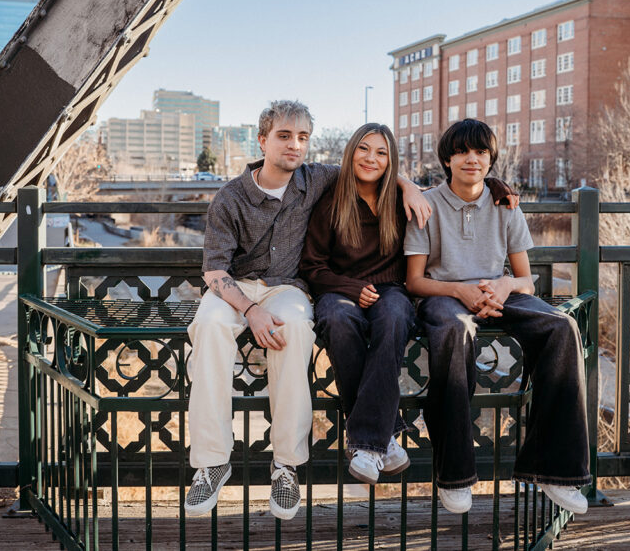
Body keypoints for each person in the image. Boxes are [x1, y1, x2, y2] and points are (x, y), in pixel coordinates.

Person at [184, 101, 430, 520]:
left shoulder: (315, 179)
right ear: (262, 140)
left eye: (302, 138)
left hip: (287, 289)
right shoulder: (229, 198)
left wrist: (409, 186)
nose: (295, 146)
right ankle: (211, 463)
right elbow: (214, 270)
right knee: (207, 326)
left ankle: (286, 464)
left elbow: (372, 167)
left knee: (297, 326)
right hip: (234, 290)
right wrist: (250, 311)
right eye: (284, 136)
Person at [301, 123, 520, 486]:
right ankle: (378, 439)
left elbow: (455, 191)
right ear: (350, 152)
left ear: (392, 162)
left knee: (395, 318)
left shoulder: (400, 200)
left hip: (391, 289)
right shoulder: (331, 201)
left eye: (382, 153)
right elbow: (311, 266)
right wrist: (350, 288)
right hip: (338, 290)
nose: (372, 158)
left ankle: (368, 441)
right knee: (339, 320)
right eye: (364, 149)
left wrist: (494, 185)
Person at [404, 118, 590, 516]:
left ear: (491, 160)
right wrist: (460, 290)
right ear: (448, 159)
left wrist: (503, 287)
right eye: (463, 152)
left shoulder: (506, 205)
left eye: (482, 152)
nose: (473, 159)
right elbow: (415, 282)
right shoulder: (427, 205)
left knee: (562, 327)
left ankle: (554, 471)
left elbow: (526, 279)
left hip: (497, 292)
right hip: (444, 297)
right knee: (455, 330)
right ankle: (454, 475)